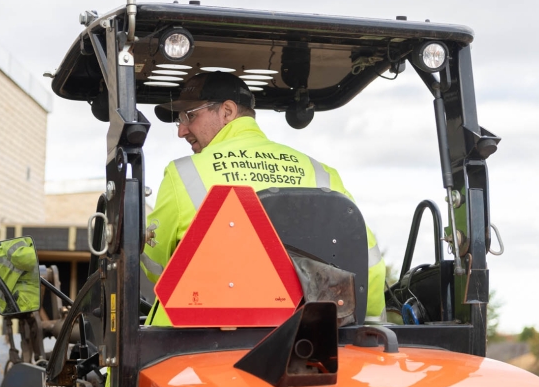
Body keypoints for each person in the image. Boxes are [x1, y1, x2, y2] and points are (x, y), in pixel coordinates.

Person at [141, 71, 387, 325]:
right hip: (308, 345)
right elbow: (367, 265)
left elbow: (157, 266)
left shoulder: (184, 174)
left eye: (189, 116)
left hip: (195, 345)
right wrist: (365, 327)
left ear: (226, 111)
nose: (182, 130)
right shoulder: (320, 174)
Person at [0, 237, 41, 314]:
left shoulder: (26, 240)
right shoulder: (14, 239)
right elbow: (24, 259)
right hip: (20, 302)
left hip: (25, 301)